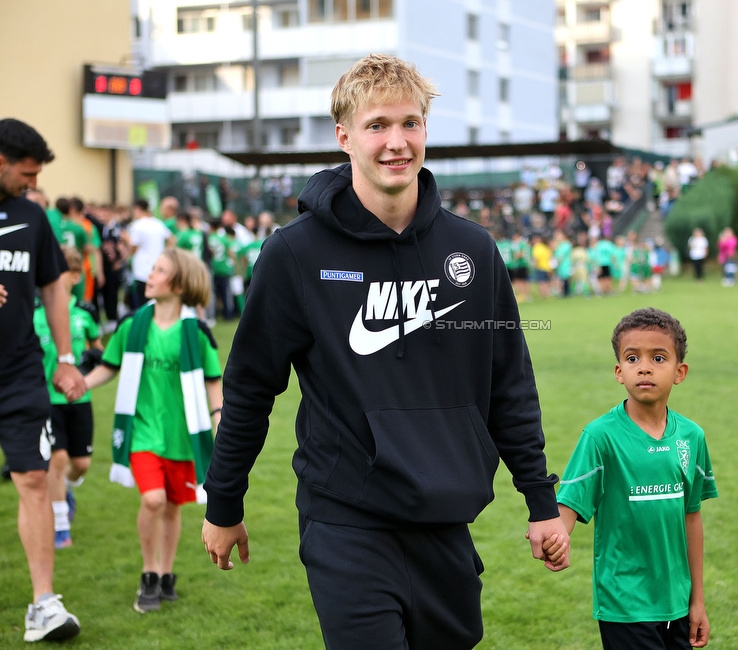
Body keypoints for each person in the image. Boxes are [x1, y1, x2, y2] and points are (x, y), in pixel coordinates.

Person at [200, 54, 569, 650]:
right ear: (343, 136)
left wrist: (540, 500)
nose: (397, 142)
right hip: (346, 516)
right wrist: (224, 502)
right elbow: (249, 386)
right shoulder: (295, 255)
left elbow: (510, 384)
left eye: (410, 123)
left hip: (446, 520)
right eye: (377, 126)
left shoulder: (473, 251)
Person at [546, 307, 717, 650]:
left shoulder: (692, 437)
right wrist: (555, 539)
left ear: (679, 371)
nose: (644, 366)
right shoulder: (599, 437)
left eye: (658, 357)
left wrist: (697, 601)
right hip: (625, 604)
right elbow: (568, 507)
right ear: (618, 371)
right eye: (632, 357)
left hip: (678, 602)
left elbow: (692, 517)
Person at [84, 248, 221, 614]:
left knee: (174, 507)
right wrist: (81, 384)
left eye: (159, 270)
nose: (149, 275)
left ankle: (165, 574)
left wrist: (219, 416)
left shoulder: (197, 332)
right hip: (143, 434)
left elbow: (212, 381)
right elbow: (109, 366)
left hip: (183, 437)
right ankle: (148, 574)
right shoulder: (132, 325)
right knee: (154, 500)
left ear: (178, 284)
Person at [0, 117, 84, 642]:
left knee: (34, 478)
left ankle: (43, 604)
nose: (32, 184)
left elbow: (54, 290)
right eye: (26, 174)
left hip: (20, 372)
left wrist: (67, 356)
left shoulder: (34, 216)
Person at [34, 246, 103, 549]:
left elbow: (99, 350)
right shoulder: (35, 314)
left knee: (81, 463)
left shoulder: (84, 313)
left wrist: (92, 360)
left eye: (62, 272)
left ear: (76, 275)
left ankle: (66, 491)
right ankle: (60, 527)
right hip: (47, 399)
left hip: (79, 399)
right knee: (57, 459)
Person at [124, 199, 172, 309]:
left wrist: (126, 239)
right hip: (158, 268)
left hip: (142, 270)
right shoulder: (158, 223)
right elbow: (172, 240)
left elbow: (133, 247)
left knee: (143, 302)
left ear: (137, 209)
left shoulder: (137, 225)